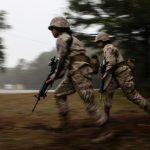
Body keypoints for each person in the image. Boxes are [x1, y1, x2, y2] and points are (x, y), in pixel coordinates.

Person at [46, 16, 103, 129]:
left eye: (52, 28)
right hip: (75, 72)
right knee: (59, 94)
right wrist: (57, 75)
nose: (51, 31)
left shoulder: (61, 39)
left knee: (90, 104)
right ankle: (65, 125)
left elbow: (62, 62)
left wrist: (54, 76)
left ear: (59, 27)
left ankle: (106, 130)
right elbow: (69, 61)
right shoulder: (75, 39)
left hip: (79, 73)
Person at [94, 32, 150, 125]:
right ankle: (106, 117)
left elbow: (111, 63)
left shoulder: (108, 48)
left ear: (102, 41)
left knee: (131, 95)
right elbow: (108, 64)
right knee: (108, 91)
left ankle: (147, 109)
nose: (97, 44)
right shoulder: (108, 48)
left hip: (122, 73)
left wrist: (105, 76)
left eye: (98, 42)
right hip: (115, 74)